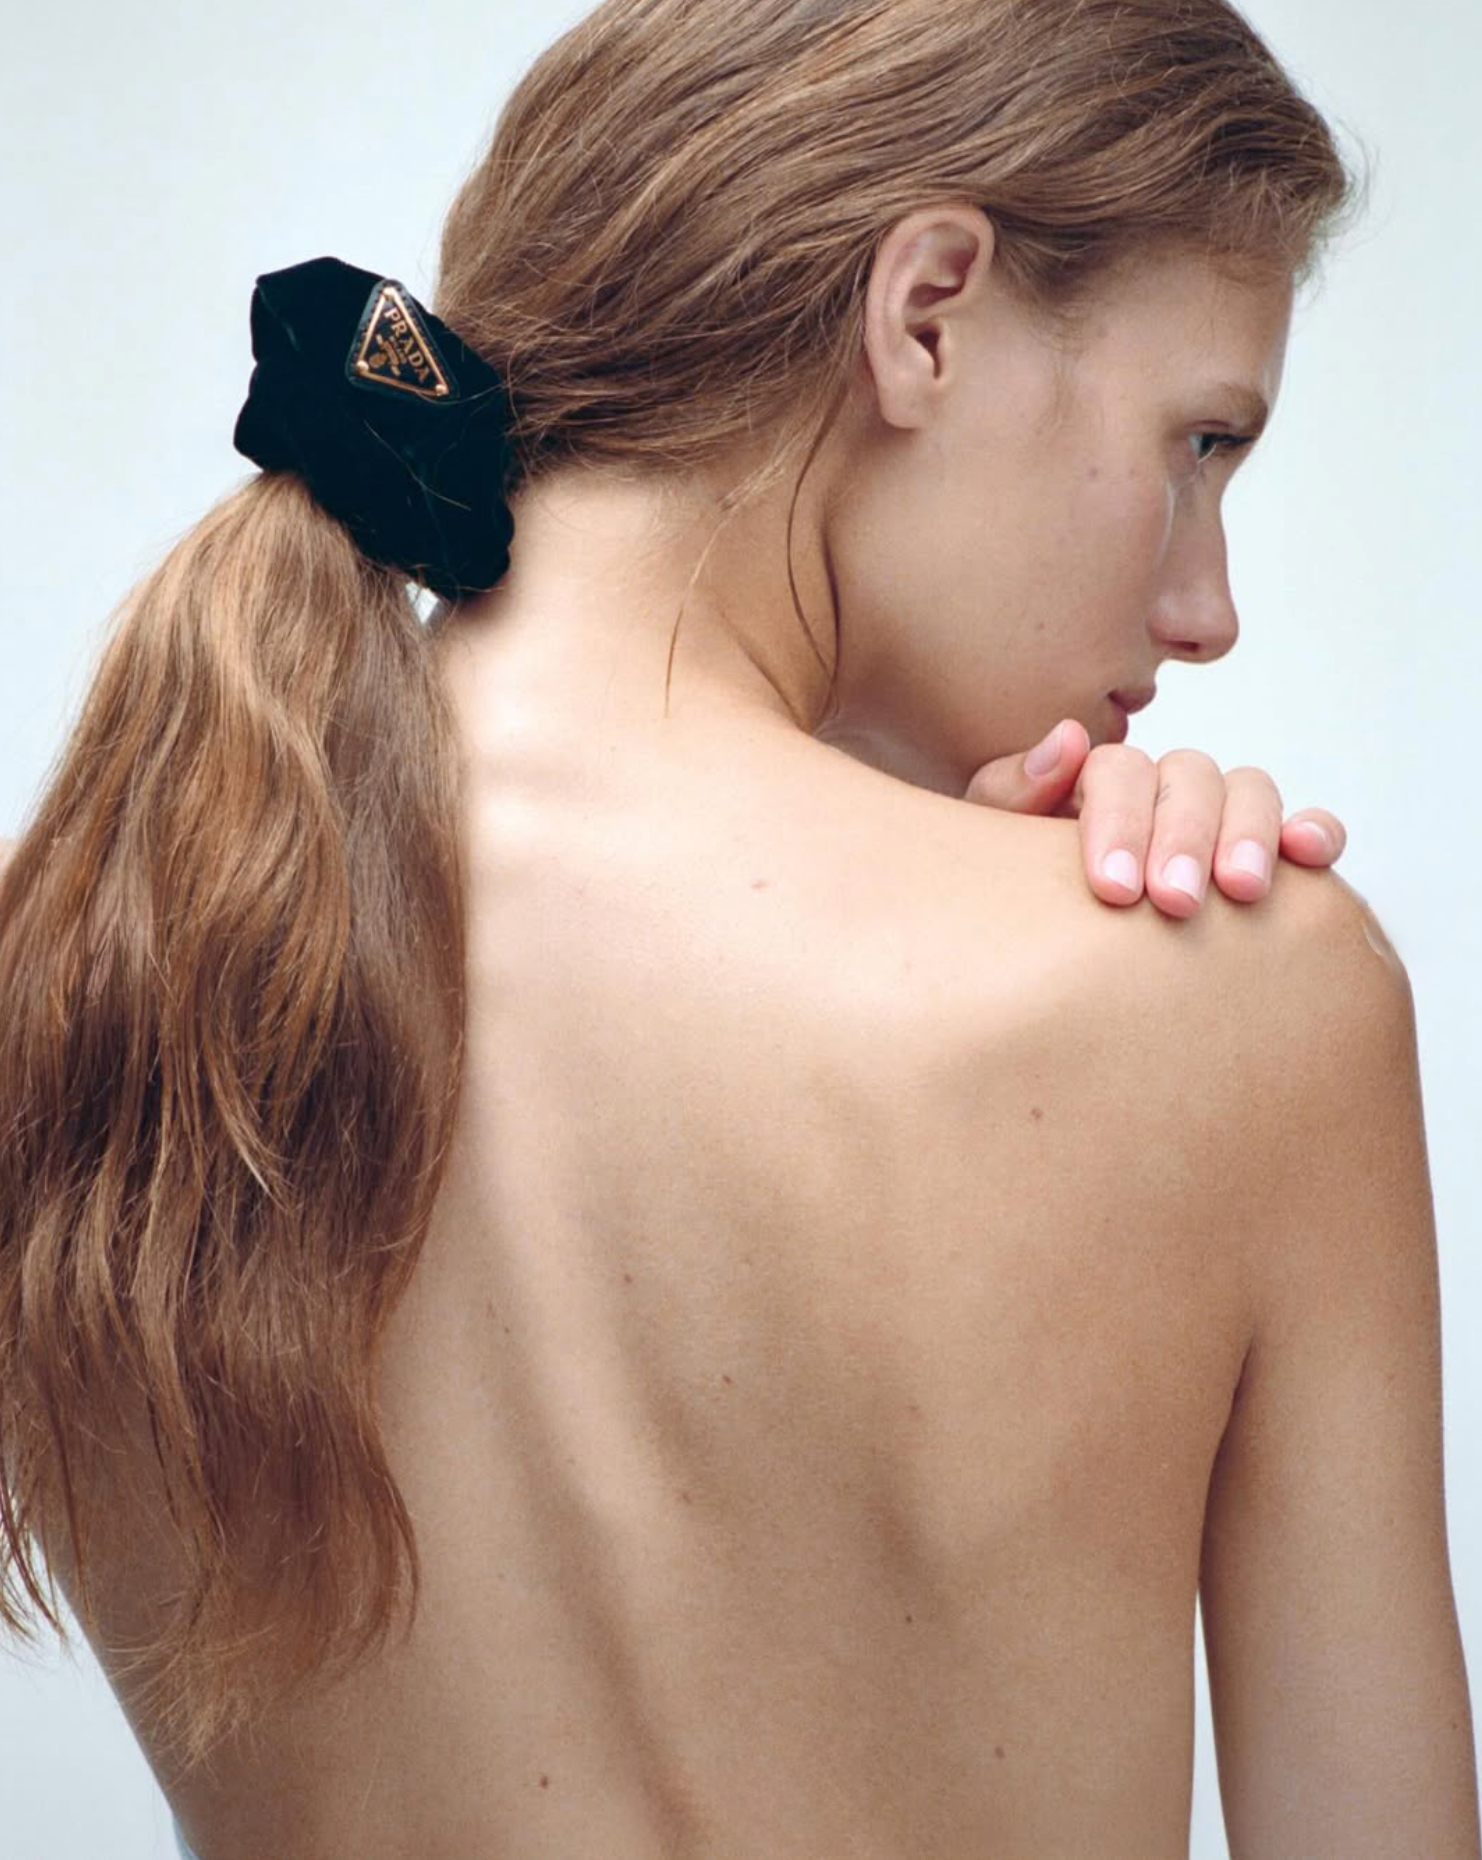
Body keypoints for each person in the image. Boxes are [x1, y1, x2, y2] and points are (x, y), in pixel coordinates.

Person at [1, 0, 1477, 1854]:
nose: (1206, 605)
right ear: (924, 312)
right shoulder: (1239, 1002)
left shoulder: (100, 981)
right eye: (1197, 441)